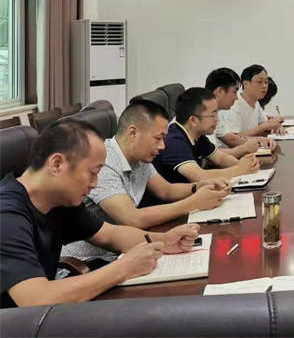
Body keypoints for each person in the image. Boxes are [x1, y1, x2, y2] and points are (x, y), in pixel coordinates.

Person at [0, 120, 199, 308]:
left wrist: (165, 241)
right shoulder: (7, 215)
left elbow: (109, 234)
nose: (95, 184)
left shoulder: (59, 199)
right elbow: (37, 299)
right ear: (57, 164)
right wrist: (123, 268)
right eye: (92, 173)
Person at [60, 100, 230, 264]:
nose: (162, 146)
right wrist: (194, 202)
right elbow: (132, 219)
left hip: (125, 248)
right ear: (133, 133)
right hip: (89, 261)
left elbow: (166, 190)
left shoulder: (140, 157)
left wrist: (197, 187)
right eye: (158, 138)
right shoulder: (104, 162)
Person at [153, 87, 260, 184]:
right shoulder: (174, 141)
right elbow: (200, 176)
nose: (217, 120)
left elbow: (221, 158)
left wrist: (245, 164)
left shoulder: (197, 135)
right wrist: (240, 169)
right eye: (213, 115)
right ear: (193, 120)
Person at [206, 68, 275, 156]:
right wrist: (244, 149)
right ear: (219, 91)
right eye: (234, 92)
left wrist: (259, 140)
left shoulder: (215, 114)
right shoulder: (204, 115)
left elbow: (232, 138)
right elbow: (212, 155)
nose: (236, 98)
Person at [218, 65, 284, 137]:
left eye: (266, 82)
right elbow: (235, 138)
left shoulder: (256, 102)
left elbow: (265, 124)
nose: (264, 86)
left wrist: (276, 126)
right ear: (246, 83)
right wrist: (263, 127)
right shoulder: (233, 105)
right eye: (260, 82)